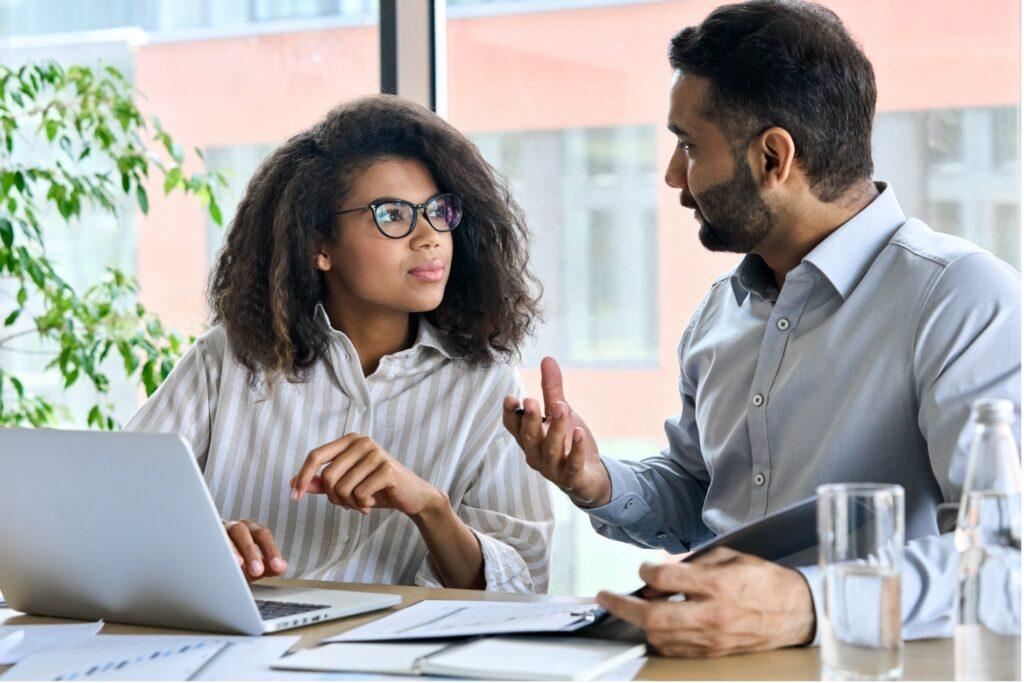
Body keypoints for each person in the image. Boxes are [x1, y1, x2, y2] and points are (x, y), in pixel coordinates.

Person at [503, 0, 1021, 656]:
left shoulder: (962, 299)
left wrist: (806, 602)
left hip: (857, 664)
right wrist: (596, 480)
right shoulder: (722, 311)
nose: (672, 176)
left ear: (774, 156)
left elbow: (1008, 560)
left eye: (690, 146)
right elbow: (698, 495)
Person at [128, 95, 553, 593]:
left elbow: (525, 587)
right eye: (393, 214)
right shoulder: (228, 359)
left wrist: (430, 507)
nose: (430, 236)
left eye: (439, 211)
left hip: (393, 664)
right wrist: (202, 539)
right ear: (319, 246)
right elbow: (114, 504)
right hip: (242, 650)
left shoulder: (486, 384)